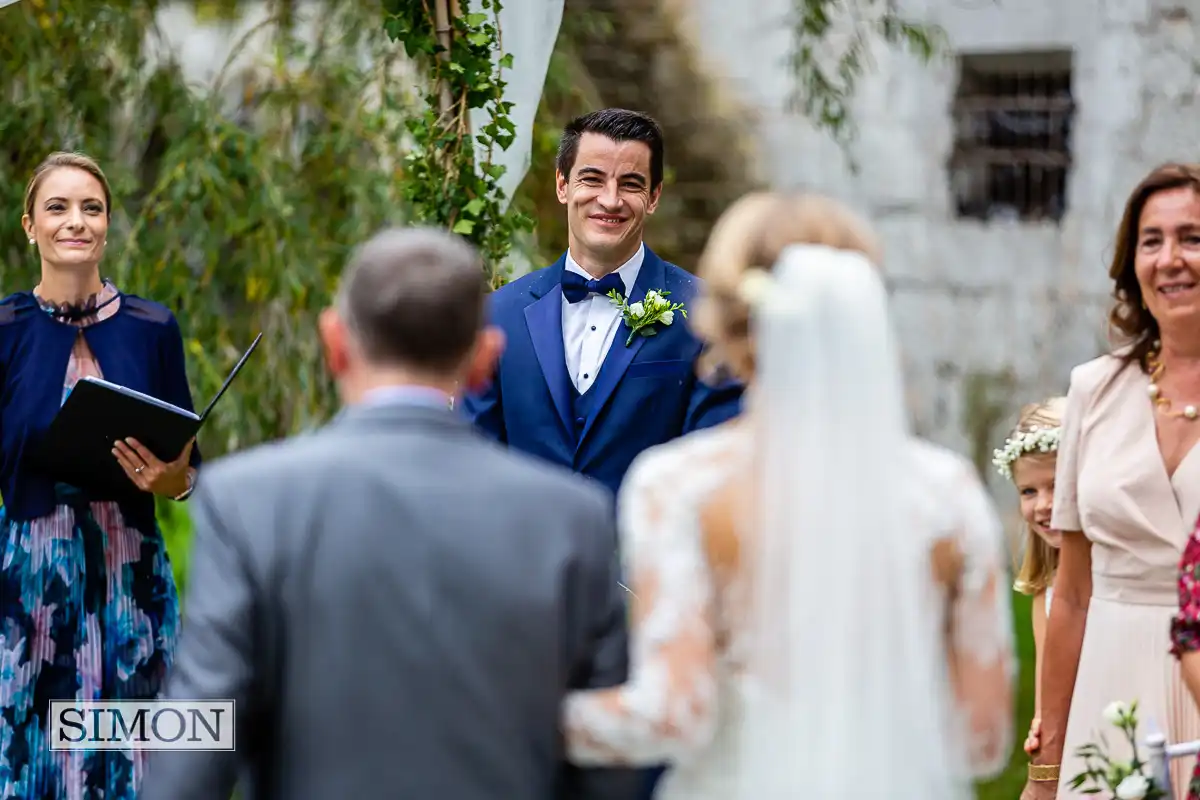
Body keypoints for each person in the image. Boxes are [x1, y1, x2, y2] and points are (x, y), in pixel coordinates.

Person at [139, 227, 640, 800]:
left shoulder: (248, 502)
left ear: (334, 343)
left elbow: (201, 734)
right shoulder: (574, 520)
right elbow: (607, 765)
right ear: (485, 360)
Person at [557, 192, 1015, 798]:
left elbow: (675, 714)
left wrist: (529, 716)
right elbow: (982, 743)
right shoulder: (945, 493)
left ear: (724, 317)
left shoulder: (683, 486)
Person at [0, 151, 200, 799]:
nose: (75, 221)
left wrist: (169, 478)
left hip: (130, 571)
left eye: (91, 208)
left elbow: (190, 469)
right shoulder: (4, 329)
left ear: (108, 226)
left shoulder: (153, 328)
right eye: (57, 207)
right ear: (29, 225)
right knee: (30, 757)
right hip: (31, 575)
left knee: (139, 750)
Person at [1023, 163, 1200, 800]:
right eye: (1152, 241)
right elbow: (1069, 594)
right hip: (1111, 684)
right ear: (1132, 264)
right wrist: (1045, 770)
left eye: (1193, 238)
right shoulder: (1094, 390)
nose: (1171, 259)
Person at [459, 108, 743, 499]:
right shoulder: (496, 315)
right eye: (592, 179)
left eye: (630, 184)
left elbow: (713, 464)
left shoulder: (707, 314)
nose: (610, 200)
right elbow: (474, 459)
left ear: (654, 196)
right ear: (562, 185)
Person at [992, 397, 1065, 758]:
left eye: (1057, 485)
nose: (1043, 505)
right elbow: (1044, 701)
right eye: (1029, 491)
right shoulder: (1045, 589)